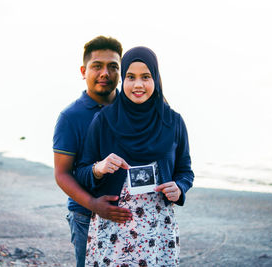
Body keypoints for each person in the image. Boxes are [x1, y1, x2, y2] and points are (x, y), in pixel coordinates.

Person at [76, 46, 194, 266]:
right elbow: (81, 172)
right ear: (123, 80)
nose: (138, 84)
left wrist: (179, 189)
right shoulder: (104, 120)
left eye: (146, 77)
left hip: (158, 231)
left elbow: (185, 171)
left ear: (156, 79)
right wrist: (98, 168)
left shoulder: (173, 122)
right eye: (130, 77)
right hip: (112, 230)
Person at [53, 36, 132, 267]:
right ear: (83, 70)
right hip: (86, 215)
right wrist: (93, 204)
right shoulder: (70, 117)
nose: (105, 73)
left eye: (113, 66)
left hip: (130, 213)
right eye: (97, 66)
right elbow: (62, 174)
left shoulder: (133, 108)